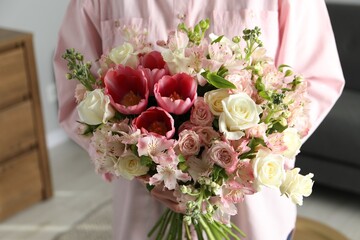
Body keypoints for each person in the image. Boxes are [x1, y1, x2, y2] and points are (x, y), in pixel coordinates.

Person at [53, 0, 345, 239]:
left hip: (253, 216)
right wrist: (142, 169)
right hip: (144, 214)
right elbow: (75, 96)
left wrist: (248, 158)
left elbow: (316, 79)